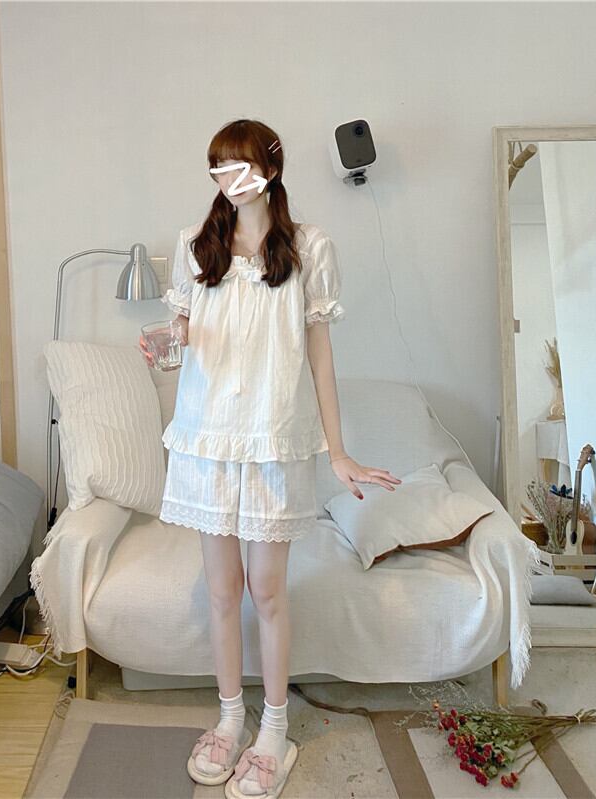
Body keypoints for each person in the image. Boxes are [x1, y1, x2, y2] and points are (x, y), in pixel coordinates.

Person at [139, 119, 401, 798]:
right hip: (206, 439)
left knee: (268, 591)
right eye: (219, 166)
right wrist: (167, 340)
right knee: (221, 591)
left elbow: (319, 355)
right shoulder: (196, 246)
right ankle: (231, 719)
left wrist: (337, 450)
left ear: (270, 170)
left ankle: (274, 730)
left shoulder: (310, 248)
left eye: (240, 165)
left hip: (271, 441)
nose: (228, 179)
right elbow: (187, 334)